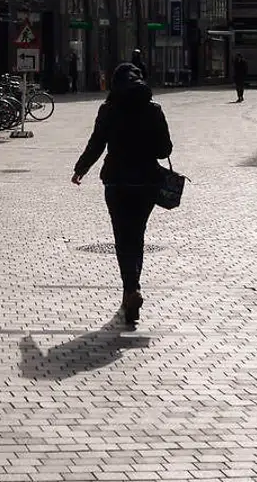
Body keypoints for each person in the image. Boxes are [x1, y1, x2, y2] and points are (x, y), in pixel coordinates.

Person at [72, 63, 174, 328]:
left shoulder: (109, 109)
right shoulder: (153, 110)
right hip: (146, 182)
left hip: (116, 181)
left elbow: (96, 143)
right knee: (137, 236)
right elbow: (165, 149)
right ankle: (132, 289)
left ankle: (130, 289)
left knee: (122, 236)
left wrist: (80, 169)